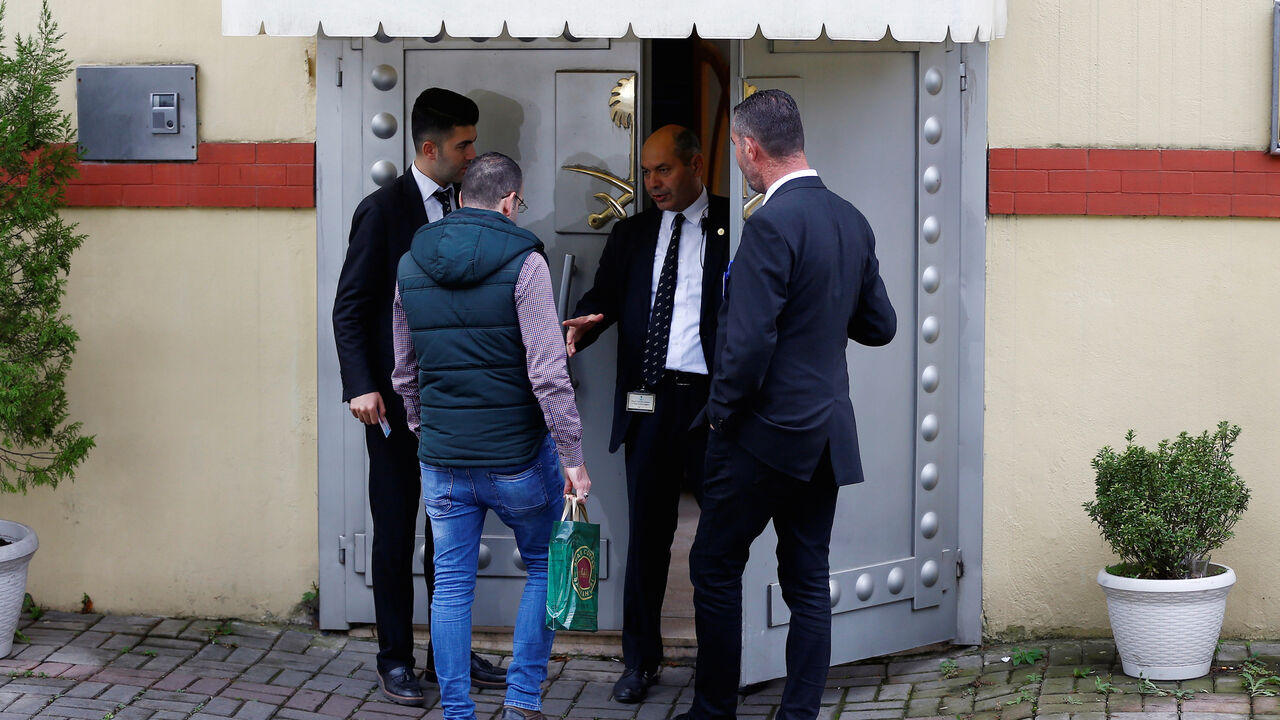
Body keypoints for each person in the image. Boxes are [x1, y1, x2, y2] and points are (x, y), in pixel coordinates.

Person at [677, 89, 898, 720]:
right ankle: (798, 714)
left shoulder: (770, 224)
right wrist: (823, 310)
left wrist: (720, 413)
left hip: (761, 435)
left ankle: (713, 712)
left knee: (714, 565)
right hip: (825, 436)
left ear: (750, 148)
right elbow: (880, 325)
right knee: (807, 580)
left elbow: (747, 344)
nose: (738, 161)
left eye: (736, 150)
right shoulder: (850, 219)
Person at [391, 152, 592, 720]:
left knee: (451, 583)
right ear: (508, 201)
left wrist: (424, 430)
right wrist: (572, 456)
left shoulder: (410, 263)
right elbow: (548, 374)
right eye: (519, 202)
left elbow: (404, 373)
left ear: (461, 199)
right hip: (517, 459)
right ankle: (521, 700)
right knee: (545, 563)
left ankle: (456, 711)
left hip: (443, 459)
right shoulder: (525, 263)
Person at [332, 87, 504, 707]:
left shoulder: (469, 205)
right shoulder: (382, 211)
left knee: (450, 537)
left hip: (455, 403)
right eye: (464, 144)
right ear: (430, 148)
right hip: (392, 408)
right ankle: (395, 659)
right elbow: (350, 308)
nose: (473, 154)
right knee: (396, 531)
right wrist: (361, 384)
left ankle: (446, 656)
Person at [562, 125, 730, 703]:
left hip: (712, 405)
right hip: (649, 401)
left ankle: (722, 663)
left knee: (720, 541)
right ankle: (640, 661)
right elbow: (604, 299)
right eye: (647, 171)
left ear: (695, 165)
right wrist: (583, 325)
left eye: (664, 170)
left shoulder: (734, 226)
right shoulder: (632, 233)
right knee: (648, 539)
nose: (652, 182)